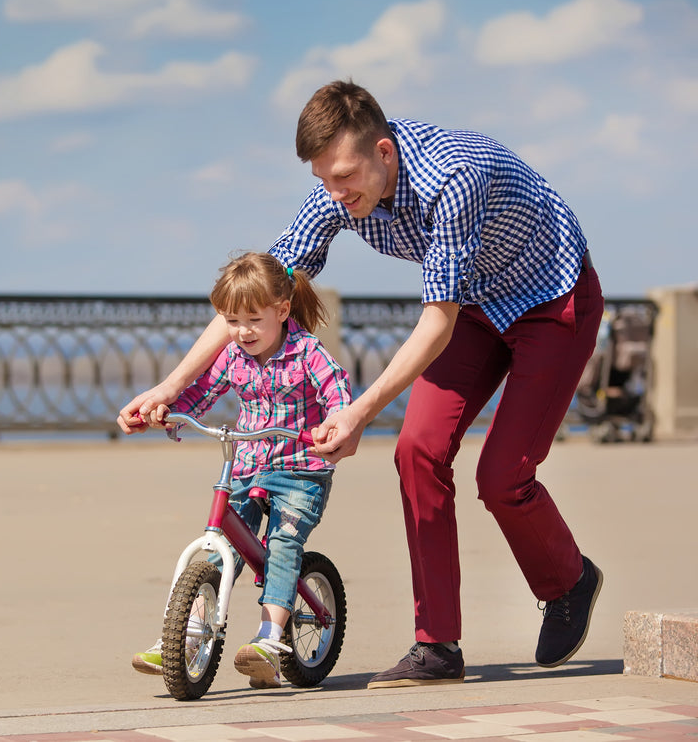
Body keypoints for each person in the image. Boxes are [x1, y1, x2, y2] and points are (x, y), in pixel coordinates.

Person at [120, 80, 604, 688]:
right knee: (417, 451)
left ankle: (569, 581)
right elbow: (262, 293)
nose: (334, 192)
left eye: (344, 176)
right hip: (478, 307)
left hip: (550, 299)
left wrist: (359, 410)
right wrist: (169, 385)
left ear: (383, 151)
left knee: (502, 476)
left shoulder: (451, 181)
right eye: (323, 179)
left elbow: (437, 319)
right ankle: (438, 647)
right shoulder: (335, 192)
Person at [129, 251, 351, 689]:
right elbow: (202, 393)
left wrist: (336, 421)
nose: (242, 332)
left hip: (300, 468)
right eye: (231, 321)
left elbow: (337, 390)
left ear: (282, 311)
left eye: (252, 319)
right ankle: (185, 634)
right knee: (221, 547)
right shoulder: (233, 357)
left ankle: (269, 638)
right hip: (248, 463)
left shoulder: (307, 352)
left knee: (284, 542)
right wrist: (169, 411)